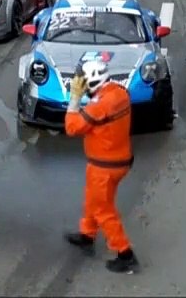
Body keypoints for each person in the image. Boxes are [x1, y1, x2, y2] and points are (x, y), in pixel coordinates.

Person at [64, 59, 140, 274]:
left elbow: (72, 127)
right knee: (93, 199)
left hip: (104, 166)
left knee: (102, 210)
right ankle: (87, 235)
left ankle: (125, 254)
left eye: (82, 80)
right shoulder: (118, 92)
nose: (80, 83)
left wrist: (75, 98)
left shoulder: (100, 105)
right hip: (117, 160)